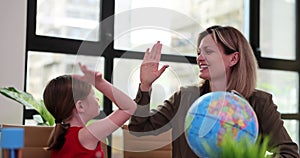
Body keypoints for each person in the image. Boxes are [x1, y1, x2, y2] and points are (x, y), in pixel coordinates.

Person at [128, 25, 300, 158]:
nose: (199, 58)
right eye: (199, 52)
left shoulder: (260, 103)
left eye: (208, 51)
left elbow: (289, 153)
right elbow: (139, 127)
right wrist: (145, 86)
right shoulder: (185, 97)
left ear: (233, 58)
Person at [43, 63, 137, 158]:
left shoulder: (62, 135)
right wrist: (100, 84)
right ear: (80, 106)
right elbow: (129, 108)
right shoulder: (87, 135)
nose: (98, 99)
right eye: (93, 95)